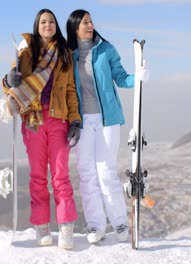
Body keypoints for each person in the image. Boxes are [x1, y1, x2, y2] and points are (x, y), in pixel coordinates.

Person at [66, 9, 148, 244]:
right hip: (80, 122)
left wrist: (138, 78)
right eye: (85, 23)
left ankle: (120, 222)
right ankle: (95, 225)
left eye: (91, 21)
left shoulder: (106, 49)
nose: (90, 25)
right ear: (74, 27)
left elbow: (121, 78)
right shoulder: (68, 55)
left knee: (106, 172)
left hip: (106, 119)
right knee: (86, 173)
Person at [2, 8, 81, 249]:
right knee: (37, 177)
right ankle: (41, 226)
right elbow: (10, 84)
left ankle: (65, 226)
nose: (48, 25)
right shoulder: (26, 53)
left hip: (58, 119)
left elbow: (69, 90)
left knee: (60, 175)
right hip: (33, 121)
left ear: (56, 26)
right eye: (43, 21)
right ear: (37, 25)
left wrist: (75, 120)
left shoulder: (65, 54)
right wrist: (9, 80)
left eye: (52, 21)